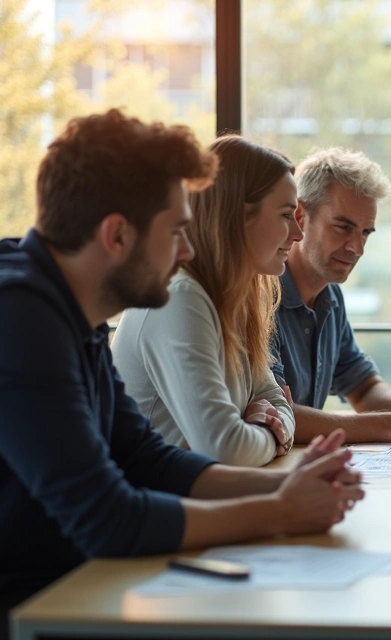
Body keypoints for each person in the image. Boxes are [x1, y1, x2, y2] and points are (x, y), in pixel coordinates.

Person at [0, 111, 363, 640]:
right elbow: (108, 519)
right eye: (177, 230)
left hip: (67, 580)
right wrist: (277, 510)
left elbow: (143, 458)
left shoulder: (65, 307)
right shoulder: (12, 315)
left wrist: (290, 487)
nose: (188, 249)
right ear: (117, 235)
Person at [113, 135, 302, 467]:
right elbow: (224, 448)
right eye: (287, 215)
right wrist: (273, 435)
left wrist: (266, 426)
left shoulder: (234, 297)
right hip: (160, 509)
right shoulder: (179, 297)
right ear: (239, 216)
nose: (298, 234)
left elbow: (276, 400)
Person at [271, 147, 391, 444]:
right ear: (300, 215)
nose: (357, 247)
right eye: (343, 227)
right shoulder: (262, 297)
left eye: (366, 233)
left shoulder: (330, 295)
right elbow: (278, 413)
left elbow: (363, 387)